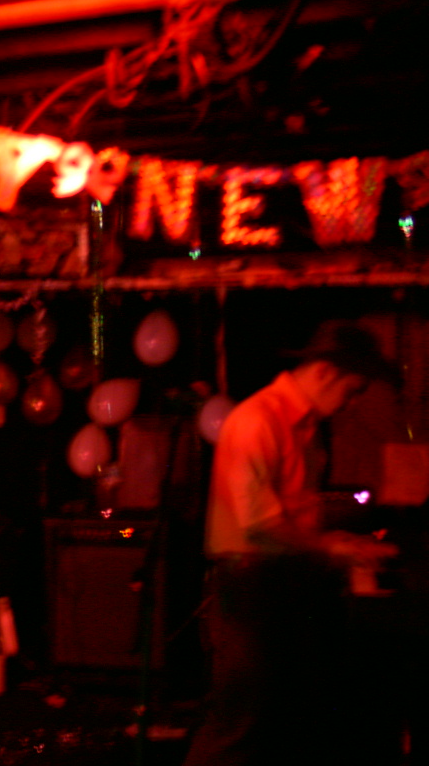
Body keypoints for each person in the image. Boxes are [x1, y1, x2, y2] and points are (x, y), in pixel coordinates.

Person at [182, 321, 401, 766]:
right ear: (325, 372)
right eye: (353, 390)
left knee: (282, 721)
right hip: (249, 588)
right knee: (239, 725)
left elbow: (291, 514)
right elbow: (261, 526)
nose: (352, 403)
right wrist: (330, 547)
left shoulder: (304, 426)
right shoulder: (258, 420)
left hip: (279, 580)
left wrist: (334, 539)